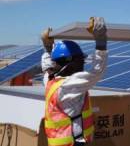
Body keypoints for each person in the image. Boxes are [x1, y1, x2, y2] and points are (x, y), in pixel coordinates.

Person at [41, 17, 108, 146]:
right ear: (70, 61)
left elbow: (48, 69)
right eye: (80, 60)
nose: (83, 63)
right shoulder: (70, 86)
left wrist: (48, 48)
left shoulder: (51, 82)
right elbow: (97, 71)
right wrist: (101, 39)